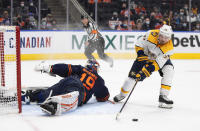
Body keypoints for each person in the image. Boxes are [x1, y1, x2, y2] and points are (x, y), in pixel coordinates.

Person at [113, 25, 174, 109]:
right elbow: (139, 44)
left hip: (157, 61)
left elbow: (158, 64)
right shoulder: (150, 34)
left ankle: (163, 96)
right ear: (158, 33)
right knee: (130, 79)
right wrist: (140, 55)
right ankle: (122, 94)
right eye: (161, 36)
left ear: (169, 38)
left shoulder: (169, 48)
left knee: (169, 70)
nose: (163, 39)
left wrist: (146, 72)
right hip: (144, 57)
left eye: (166, 37)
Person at [22, 60, 110, 115]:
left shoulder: (81, 69)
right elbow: (104, 96)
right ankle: (56, 104)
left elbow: (67, 68)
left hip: (68, 80)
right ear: (96, 69)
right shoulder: (99, 80)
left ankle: (29, 96)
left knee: (49, 92)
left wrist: (51, 68)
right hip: (79, 89)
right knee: (72, 97)